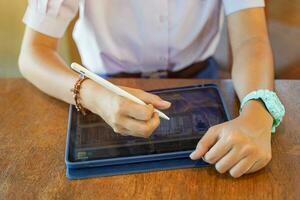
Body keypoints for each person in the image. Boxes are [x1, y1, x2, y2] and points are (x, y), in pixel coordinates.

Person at [19, 0, 285, 178]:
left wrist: (258, 112)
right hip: (102, 88)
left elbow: (251, 38)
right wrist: (93, 96)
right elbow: (33, 53)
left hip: (200, 82)